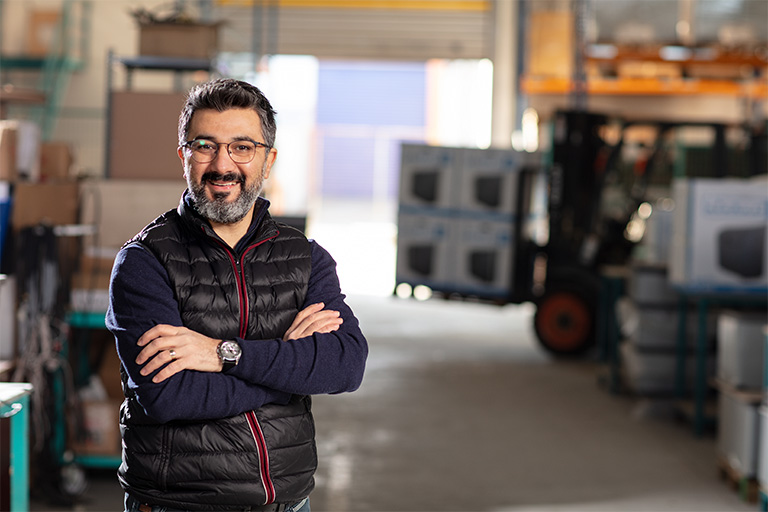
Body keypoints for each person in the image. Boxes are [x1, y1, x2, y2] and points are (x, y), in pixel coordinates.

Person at [106, 78, 368, 512]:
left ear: (269, 161)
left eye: (243, 147)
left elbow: (345, 364)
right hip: (183, 503)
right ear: (184, 157)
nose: (223, 164)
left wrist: (226, 355)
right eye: (205, 146)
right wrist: (287, 367)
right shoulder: (145, 262)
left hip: (288, 501)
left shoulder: (303, 257)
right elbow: (170, 396)